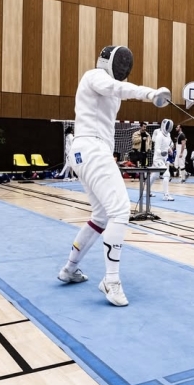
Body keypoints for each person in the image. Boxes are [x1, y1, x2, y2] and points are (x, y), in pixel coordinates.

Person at [56, 45, 170, 307]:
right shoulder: (94, 76)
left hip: (88, 152)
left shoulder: (109, 85)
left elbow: (118, 89)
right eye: (119, 63)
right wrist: (150, 93)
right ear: (108, 61)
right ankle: (111, 280)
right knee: (120, 212)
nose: (122, 69)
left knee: (100, 216)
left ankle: (70, 269)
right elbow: (118, 88)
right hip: (92, 149)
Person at [149, 119, 176, 201]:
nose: (169, 128)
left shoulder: (168, 134)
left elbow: (167, 144)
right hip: (158, 159)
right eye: (168, 126)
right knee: (167, 174)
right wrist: (162, 153)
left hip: (164, 159)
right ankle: (166, 195)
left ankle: (147, 191)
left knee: (155, 175)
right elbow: (157, 149)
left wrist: (169, 149)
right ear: (164, 126)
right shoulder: (159, 136)